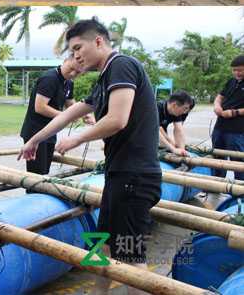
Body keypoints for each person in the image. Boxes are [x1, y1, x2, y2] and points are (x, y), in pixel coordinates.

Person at [19, 19, 160, 295]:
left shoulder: (122, 65)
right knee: (102, 244)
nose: (76, 56)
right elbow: (71, 113)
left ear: (98, 41)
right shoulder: (105, 77)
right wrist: (34, 140)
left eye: (77, 48)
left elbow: (117, 119)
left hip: (135, 177)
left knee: (131, 259)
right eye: (72, 52)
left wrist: (77, 139)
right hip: (119, 175)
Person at [19, 58, 89, 175]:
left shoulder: (69, 82)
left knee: (45, 172)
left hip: (51, 131)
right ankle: (33, 193)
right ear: (66, 61)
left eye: (77, 72)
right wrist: (66, 116)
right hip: (35, 132)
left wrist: (83, 114)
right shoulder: (49, 78)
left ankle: (40, 192)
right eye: (71, 68)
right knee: (36, 175)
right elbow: (40, 107)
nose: (72, 73)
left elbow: (70, 103)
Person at [212, 54, 244, 180]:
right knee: (217, 157)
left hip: (237, 131)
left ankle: (240, 192)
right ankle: (215, 185)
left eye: (240, 70)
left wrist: (234, 112)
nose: (237, 73)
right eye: (234, 70)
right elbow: (220, 96)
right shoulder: (231, 81)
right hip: (220, 127)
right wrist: (216, 105)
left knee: (238, 160)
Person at [157, 91, 194, 156]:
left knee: (167, 146)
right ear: (174, 105)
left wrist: (182, 150)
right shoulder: (156, 108)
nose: (185, 112)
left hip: (159, 130)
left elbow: (179, 130)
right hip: (141, 134)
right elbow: (156, 131)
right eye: (184, 108)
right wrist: (173, 148)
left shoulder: (176, 112)